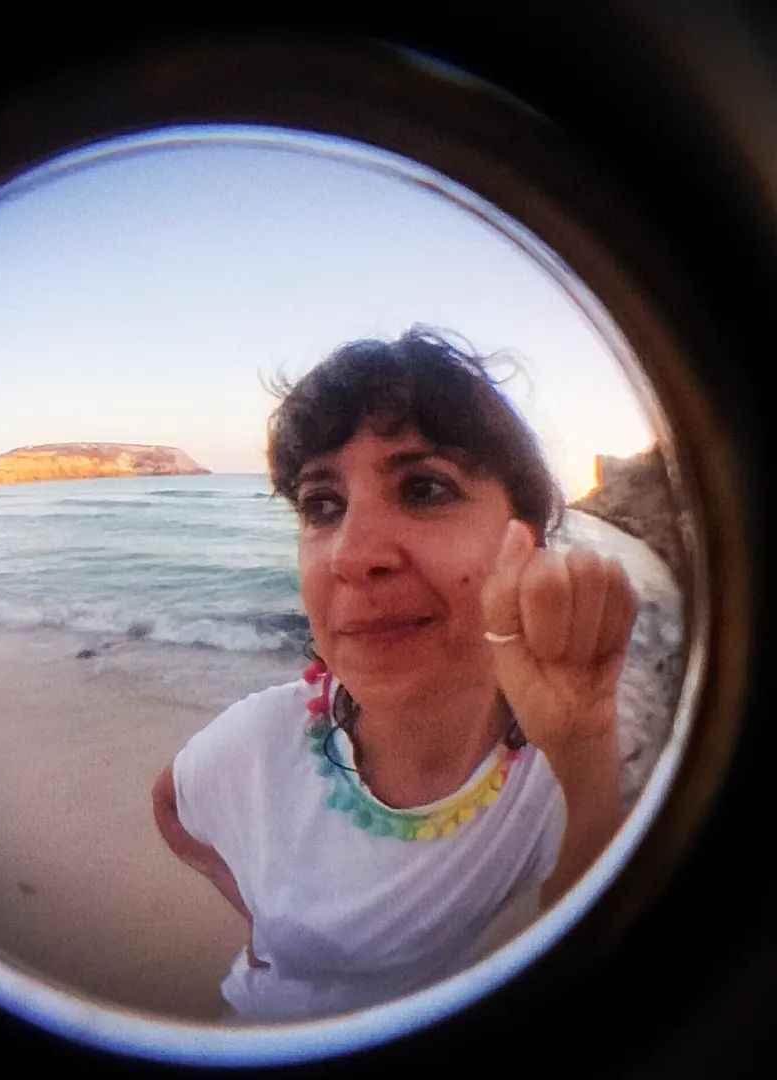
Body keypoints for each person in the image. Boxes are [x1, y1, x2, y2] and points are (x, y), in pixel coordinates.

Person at [152, 326, 637, 1023]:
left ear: (524, 541)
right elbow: (169, 803)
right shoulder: (261, 743)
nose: (352, 556)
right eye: (322, 505)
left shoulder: (554, 760)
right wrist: (256, 918)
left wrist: (585, 746)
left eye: (424, 488)